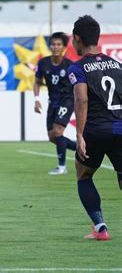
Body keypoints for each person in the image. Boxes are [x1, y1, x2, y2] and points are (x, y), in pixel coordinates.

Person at [68, 15, 122, 241]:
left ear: (77, 39)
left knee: (83, 175)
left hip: (96, 130)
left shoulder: (78, 67)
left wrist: (79, 134)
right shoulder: (118, 65)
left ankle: (100, 228)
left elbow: (81, 100)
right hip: (120, 128)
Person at [33, 32, 76, 175]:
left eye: (59, 44)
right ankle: (84, 149)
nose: (55, 47)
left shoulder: (69, 65)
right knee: (53, 137)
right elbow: (37, 82)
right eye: (53, 44)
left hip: (67, 101)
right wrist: (36, 100)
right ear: (50, 46)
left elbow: (78, 85)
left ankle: (61, 167)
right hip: (52, 102)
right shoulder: (43, 63)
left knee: (58, 131)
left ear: (64, 47)